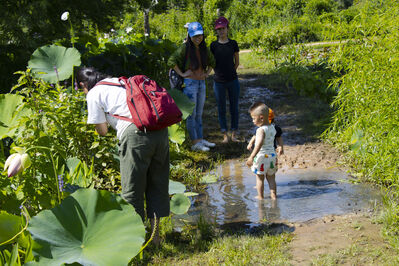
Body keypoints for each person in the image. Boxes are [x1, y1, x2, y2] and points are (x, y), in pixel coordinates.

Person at [76, 67, 169, 245]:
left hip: (135, 135)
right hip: (160, 131)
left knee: (133, 187)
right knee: (157, 183)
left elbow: (102, 131)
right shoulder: (120, 81)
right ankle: (155, 238)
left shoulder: (94, 93)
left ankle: (136, 241)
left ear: (82, 85)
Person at [168, 22, 216, 152]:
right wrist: (182, 74)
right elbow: (171, 61)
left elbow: (213, 61)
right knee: (191, 114)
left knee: (199, 114)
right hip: (190, 84)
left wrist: (207, 73)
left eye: (199, 35)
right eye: (195, 36)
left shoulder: (204, 48)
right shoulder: (184, 48)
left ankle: (200, 139)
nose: (197, 38)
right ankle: (195, 143)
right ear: (189, 35)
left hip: (201, 83)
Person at [210, 16, 240, 143]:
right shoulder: (213, 45)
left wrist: (231, 72)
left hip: (233, 80)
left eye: (223, 28)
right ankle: (224, 134)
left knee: (234, 107)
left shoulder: (233, 43)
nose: (221, 31)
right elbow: (211, 62)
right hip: (218, 82)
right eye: (219, 29)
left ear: (227, 29)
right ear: (216, 31)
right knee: (221, 108)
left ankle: (234, 133)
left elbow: (237, 62)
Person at [246, 102, 282, 200]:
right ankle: (274, 196)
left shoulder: (260, 130)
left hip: (261, 157)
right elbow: (278, 138)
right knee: (271, 178)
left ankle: (261, 197)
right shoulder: (273, 128)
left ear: (261, 118)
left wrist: (252, 156)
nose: (253, 121)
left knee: (260, 178)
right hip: (272, 156)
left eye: (253, 118)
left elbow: (259, 143)